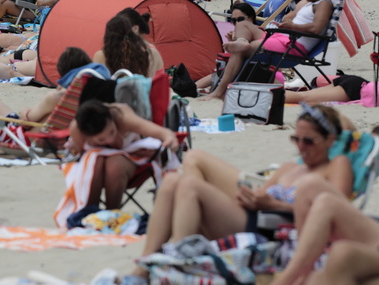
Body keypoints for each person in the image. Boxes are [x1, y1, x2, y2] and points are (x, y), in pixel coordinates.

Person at [125, 103, 352, 284]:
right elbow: (261, 194)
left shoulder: (336, 165)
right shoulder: (290, 168)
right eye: (297, 139)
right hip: (252, 216)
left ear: (330, 140)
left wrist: (274, 204)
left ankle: (180, 265)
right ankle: (142, 267)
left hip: (274, 230)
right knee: (172, 180)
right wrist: (251, 197)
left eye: (309, 141)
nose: (301, 147)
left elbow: (337, 211)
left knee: (189, 186)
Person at [202, 0, 333, 100]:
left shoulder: (324, 4)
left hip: (292, 48)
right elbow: (287, 16)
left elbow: (316, 29)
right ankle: (242, 42)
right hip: (283, 37)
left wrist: (292, 26)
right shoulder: (309, 3)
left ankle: (219, 92)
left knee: (240, 51)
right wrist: (288, 22)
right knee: (243, 24)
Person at [67, 99, 178, 211]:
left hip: (131, 159)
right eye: (101, 140)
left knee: (114, 165)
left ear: (111, 118)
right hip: (98, 168)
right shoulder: (77, 130)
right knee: (94, 161)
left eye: (111, 131)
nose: (110, 140)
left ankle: (112, 213)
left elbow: (164, 133)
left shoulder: (122, 117)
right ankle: (89, 213)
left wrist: (171, 140)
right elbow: (80, 158)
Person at [0, 46, 103, 124]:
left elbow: (27, 119)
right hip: (21, 126)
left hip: (17, 131)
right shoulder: (83, 98)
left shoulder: (56, 97)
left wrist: (26, 111)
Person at [270, 191, 379, 285]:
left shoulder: (339, 165)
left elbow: (343, 190)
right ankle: (294, 275)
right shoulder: (289, 168)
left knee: (341, 254)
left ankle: (286, 279)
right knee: (320, 196)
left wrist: (275, 204)